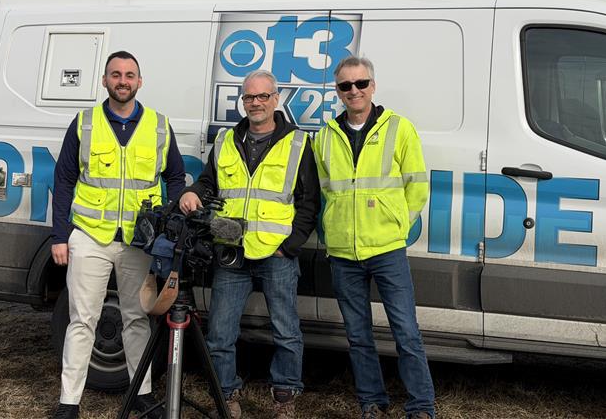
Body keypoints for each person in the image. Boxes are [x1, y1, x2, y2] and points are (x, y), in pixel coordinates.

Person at [50, 51, 185, 419]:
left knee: (137, 320)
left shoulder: (158, 125)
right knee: (82, 321)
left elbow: (175, 176)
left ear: (139, 81)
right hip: (90, 237)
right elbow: (64, 180)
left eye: (129, 75)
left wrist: (169, 226)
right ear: (105, 80)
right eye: (115, 74)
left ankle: (141, 394)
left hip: (138, 242)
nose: (122, 81)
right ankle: (68, 403)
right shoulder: (85, 123)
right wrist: (60, 236)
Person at [179, 69, 320, 419]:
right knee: (220, 332)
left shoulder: (298, 143)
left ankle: (284, 397)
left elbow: (309, 202)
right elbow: (209, 182)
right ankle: (227, 394)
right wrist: (193, 192)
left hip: (276, 254)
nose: (256, 103)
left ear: (276, 99)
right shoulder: (226, 140)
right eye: (249, 97)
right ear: (242, 101)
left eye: (262, 96)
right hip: (231, 251)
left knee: (286, 331)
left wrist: (289, 246)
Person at [313, 56, 435, 419]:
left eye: (361, 83)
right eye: (345, 86)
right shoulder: (325, 136)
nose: (354, 91)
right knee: (358, 334)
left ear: (373, 86)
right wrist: (332, 229)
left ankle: (421, 405)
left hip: (386, 250)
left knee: (406, 331)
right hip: (343, 252)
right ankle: (371, 402)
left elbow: (418, 186)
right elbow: (323, 192)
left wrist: (397, 226)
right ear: (338, 92)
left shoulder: (399, 128)